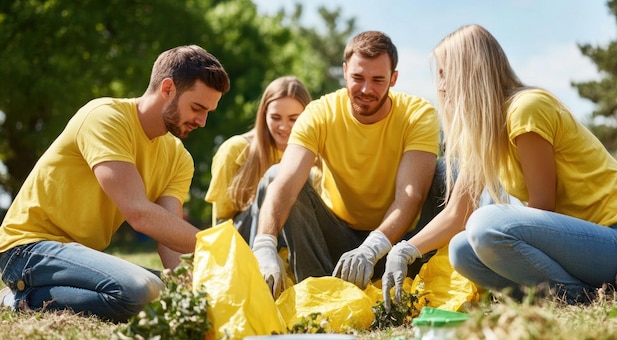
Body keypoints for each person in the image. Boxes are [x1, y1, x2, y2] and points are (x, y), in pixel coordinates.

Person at [382, 24, 617, 312]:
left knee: (485, 225)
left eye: (445, 73)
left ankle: (580, 297)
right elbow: (457, 213)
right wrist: (404, 251)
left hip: (615, 239)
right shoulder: (486, 134)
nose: (441, 86)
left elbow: (542, 206)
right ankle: (574, 295)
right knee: (462, 251)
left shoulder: (526, 108)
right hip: (579, 247)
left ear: (469, 72)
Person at [0, 45, 230, 322]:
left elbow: (169, 238)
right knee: (139, 290)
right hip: (28, 248)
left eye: (209, 112)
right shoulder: (106, 118)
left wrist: (191, 291)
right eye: (197, 108)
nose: (203, 122)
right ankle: (18, 299)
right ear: (167, 88)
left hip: (78, 256)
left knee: (172, 292)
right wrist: (220, 246)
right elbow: (139, 213)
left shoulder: (180, 158)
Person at [251, 30, 445, 299]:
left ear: (394, 78)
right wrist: (264, 244)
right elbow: (284, 183)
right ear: (344, 72)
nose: (366, 89)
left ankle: (425, 286)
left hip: (394, 244)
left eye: (378, 80)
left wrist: (372, 248)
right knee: (274, 176)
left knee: (447, 171)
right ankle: (318, 295)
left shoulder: (418, 114)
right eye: (357, 78)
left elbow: (410, 196)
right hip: (335, 237)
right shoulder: (320, 113)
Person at [205, 76, 313, 242]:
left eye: (293, 119)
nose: (284, 127)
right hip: (245, 245)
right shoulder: (235, 150)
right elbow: (221, 221)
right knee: (275, 184)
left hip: (296, 245)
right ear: (264, 115)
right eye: (276, 118)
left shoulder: (315, 155)